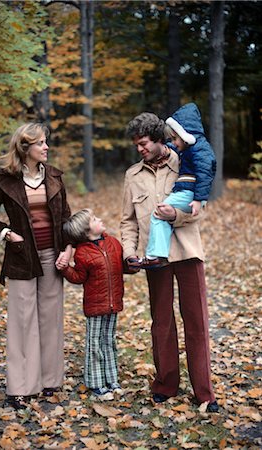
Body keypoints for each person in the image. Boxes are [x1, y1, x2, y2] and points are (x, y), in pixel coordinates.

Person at [120, 110, 219, 412]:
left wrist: (176, 215)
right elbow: (127, 222)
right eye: (136, 145)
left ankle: (204, 392)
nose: (140, 149)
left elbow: (200, 205)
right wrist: (128, 253)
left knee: (197, 321)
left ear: (159, 139)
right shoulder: (132, 176)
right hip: (154, 260)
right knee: (161, 322)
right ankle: (166, 385)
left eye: (144, 143)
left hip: (188, 253)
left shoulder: (184, 159)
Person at [0, 123, 72, 410]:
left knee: (50, 319)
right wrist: (7, 233)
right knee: (23, 322)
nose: (46, 147)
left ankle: (49, 381)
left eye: (46, 142)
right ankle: (20, 387)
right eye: (41, 143)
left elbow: (67, 220)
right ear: (25, 147)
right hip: (21, 258)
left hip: (52, 257)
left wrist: (68, 250)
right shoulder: (5, 180)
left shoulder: (55, 177)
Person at [57, 209, 124, 401]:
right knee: (94, 343)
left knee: (109, 341)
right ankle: (96, 383)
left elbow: (122, 266)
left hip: (114, 303)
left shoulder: (113, 243)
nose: (100, 219)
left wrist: (134, 264)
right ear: (86, 231)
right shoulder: (83, 253)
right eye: (94, 219)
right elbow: (79, 278)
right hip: (95, 305)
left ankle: (112, 380)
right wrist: (65, 269)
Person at [144, 103, 216, 266]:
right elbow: (175, 148)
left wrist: (198, 199)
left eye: (175, 138)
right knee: (161, 215)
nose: (174, 143)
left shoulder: (200, 151)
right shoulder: (191, 148)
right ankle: (159, 252)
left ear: (185, 135)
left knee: (158, 212)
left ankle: (155, 254)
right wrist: (163, 146)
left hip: (189, 193)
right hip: (188, 192)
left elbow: (205, 174)